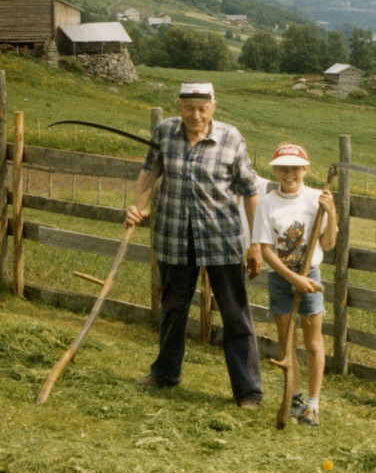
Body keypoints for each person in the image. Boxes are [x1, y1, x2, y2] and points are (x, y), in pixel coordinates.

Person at [125, 81, 265, 408]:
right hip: (174, 235)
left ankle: (248, 392)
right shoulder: (164, 133)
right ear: (179, 106)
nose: (196, 115)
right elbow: (149, 172)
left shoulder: (231, 139)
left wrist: (256, 243)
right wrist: (136, 205)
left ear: (214, 107)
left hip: (222, 238)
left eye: (202, 109)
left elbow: (250, 191)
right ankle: (165, 373)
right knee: (173, 307)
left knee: (234, 314)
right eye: (189, 108)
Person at [251, 143, 337, 427]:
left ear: (306, 169)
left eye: (295, 168)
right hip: (282, 278)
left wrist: (331, 212)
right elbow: (265, 250)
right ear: (274, 170)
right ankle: (294, 397)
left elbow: (327, 243)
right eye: (283, 168)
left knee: (313, 342)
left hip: (310, 276)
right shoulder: (268, 202)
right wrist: (293, 278)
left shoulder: (317, 199)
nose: (289, 173)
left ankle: (313, 405)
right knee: (287, 341)